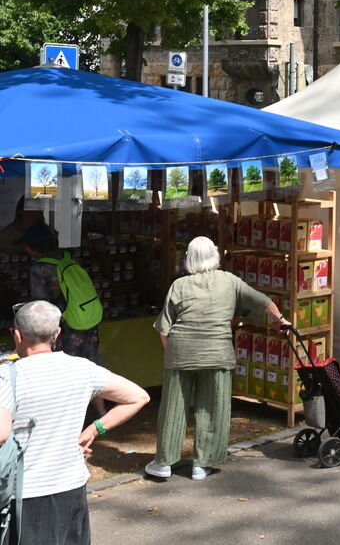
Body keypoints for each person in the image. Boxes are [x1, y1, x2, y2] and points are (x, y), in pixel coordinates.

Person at [0, 301, 150, 545]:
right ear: (57, 333)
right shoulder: (82, 368)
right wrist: (94, 429)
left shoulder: (7, 376)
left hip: (27, 496)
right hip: (72, 488)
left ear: (16, 335)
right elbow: (138, 397)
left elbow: (1, 433)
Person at [146, 236, 289, 480]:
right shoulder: (230, 281)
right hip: (217, 351)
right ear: (215, 256)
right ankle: (202, 464)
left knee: (173, 408)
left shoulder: (179, 285)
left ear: (188, 258)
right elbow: (264, 301)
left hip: (181, 351)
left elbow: (163, 328)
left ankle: (164, 463)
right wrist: (281, 320)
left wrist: (172, 352)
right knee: (212, 407)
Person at [19, 222, 105, 416]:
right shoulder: (67, 257)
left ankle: (69, 415)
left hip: (64, 325)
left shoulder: (39, 269)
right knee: (92, 363)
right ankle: (101, 411)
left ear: (34, 247)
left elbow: (40, 305)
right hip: (85, 317)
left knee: (64, 370)